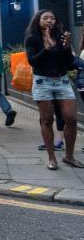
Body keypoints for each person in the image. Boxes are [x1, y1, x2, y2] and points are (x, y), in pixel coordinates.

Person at [24, 10, 80, 170]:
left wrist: (67, 48)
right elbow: (32, 62)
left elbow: (69, 63)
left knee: (71, 118)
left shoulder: (61, 36)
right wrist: (46, 49)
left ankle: (69, 157)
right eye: (45, 18)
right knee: (47, 119)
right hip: (42, 82)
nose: (49, 20)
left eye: (52, 18)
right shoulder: (32, 39)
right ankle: (52, 158)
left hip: (62, 81)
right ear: (38, 20)